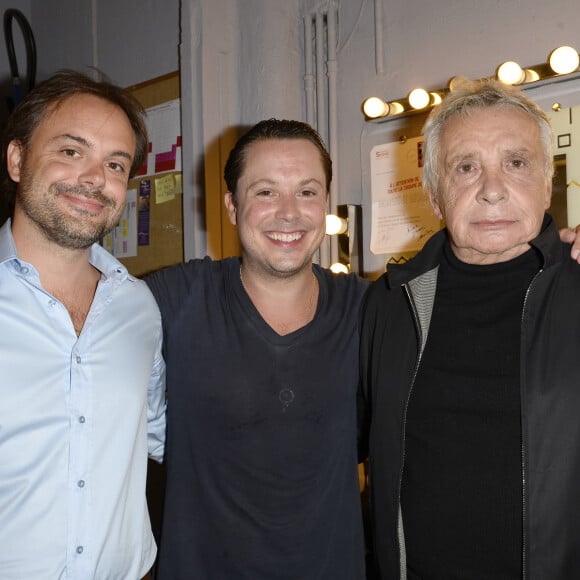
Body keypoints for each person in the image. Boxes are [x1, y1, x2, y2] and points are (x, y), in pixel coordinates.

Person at [359, 78, 580, 579]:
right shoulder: (390, 303)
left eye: (516, 163)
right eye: (466, 167)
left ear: (548, 182)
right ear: (435, 194)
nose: (493, 189)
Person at [145, 119, 368, 579]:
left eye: (307, 192)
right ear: (231, 205)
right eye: (265, 192)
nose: (289, 212)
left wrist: (555, 261)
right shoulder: (178, 298)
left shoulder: (368, 310)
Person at [0, 70, 166, 579]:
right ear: (17, 159)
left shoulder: (139, 308)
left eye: (115, 163)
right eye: (72, 152)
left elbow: (163, 431)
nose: (96, 178)